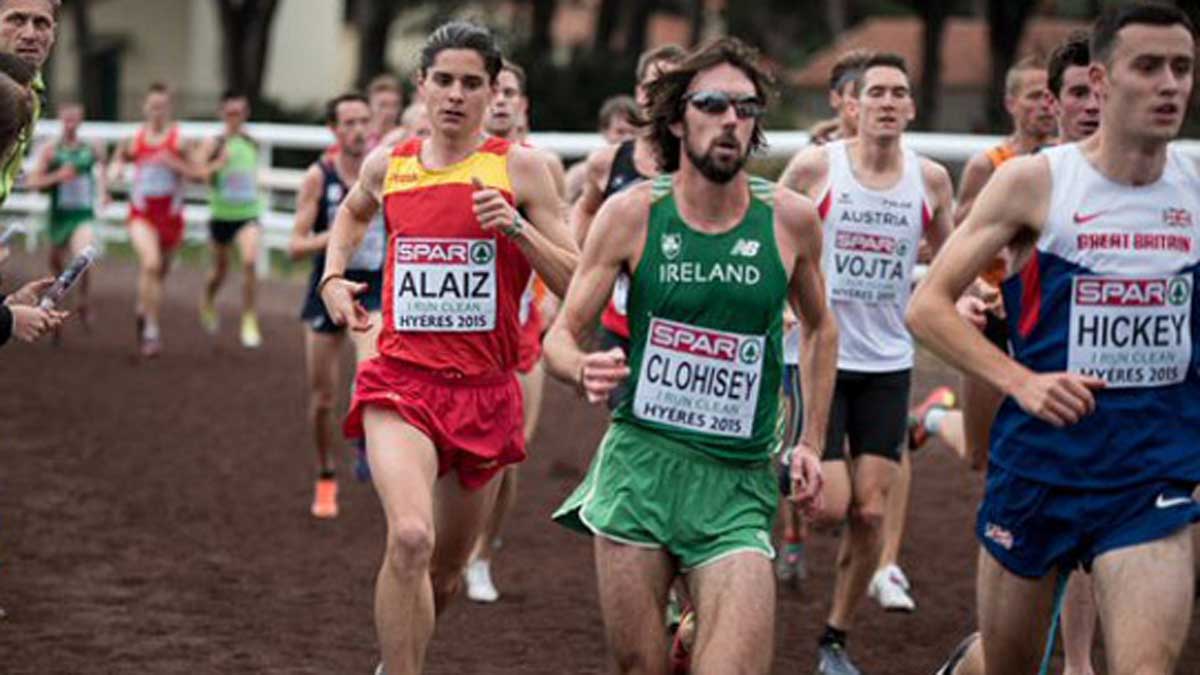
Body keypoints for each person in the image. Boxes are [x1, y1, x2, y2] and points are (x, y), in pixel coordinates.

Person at [916, 7, 1200, 675]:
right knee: (1008, 664)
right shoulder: (1036, 182)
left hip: (1150, 474)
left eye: (1182, 68)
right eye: (1149, 66)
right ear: (1101, 80)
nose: (1170, 85)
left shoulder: (1195, 191)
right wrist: (1022, 381)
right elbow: (927, 307)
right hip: (1039, 469)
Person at [547, 37, 837, 675]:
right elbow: (560, 337)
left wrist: (811, 441)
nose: (731, 119)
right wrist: (581, 367)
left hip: (737, 481)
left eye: (746, 107)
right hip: (639, 472)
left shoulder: (789, 221)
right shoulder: (630, 216)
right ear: (677, 118)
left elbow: (821, 327)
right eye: (712, 104)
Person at [318, 21, 576, 674]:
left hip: (485, 392)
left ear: (494, 93)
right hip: (400, 382)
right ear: (422, 87)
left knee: (444, 574)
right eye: (443, 80)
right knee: (408, 536)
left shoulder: (523, 169)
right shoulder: (390, 162)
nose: (456, 94)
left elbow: (576, 279)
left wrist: (515, 227)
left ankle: (396, 655)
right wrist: (331, 276)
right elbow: (351, 212)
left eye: (471, 83)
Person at [780, 52, 954, 675]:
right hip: (820, 355)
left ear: (910, 107)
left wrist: (973, 291)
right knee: (829, 505)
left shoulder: (930, 180)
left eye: (897, 93)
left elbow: (949, 256)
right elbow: (776, 242)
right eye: (875, 91)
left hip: (887, 359)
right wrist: (780, 307)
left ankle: (834, 639)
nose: (886, 102)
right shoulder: (815, 168)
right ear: (854, 103)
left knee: (871, 511)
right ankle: (778, 462)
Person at [464, 57, 568, 603]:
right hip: (464, 332)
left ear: (523, 105)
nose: (501, 100)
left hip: (524, 328)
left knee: (509, 452)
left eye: (511, 92)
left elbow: (564, 247)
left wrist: (550, 305)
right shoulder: (456, 156)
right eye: (495, 90)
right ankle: (457, 540)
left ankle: (483, 552)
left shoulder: (540, 165)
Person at [776, 47, 873, 592]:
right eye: (861, 95)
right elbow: (777, 228)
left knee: (865, 484)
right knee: (801, 450)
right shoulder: (816, 163)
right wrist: (788, 302)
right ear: (842, 102)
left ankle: (879, 563)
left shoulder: (903, 170)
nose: (870, 107)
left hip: (876, 348)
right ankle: (791, 534)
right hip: (807, 338)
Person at [570, 44, 686, 414]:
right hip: (620, 326)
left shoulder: (701, 165)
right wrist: (585, 259)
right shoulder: (608, 162)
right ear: (639, 94)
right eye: (655, 84)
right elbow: (585, 209)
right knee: (627, 425)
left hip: (683, 330)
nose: (663, 94)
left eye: (675, 85)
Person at [290, 93, 384, 519]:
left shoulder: (386, 171)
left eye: (364, 121)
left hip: (376, 287)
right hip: (326, 288)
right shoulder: (319, 176)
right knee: (323, 398)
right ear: (333, 129)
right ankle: (325, 472)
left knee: (370, 371)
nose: (358, 130)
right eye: (348, 122)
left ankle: (365, 438)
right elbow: (295, 244)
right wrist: (342, 238)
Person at [109, 82, 202, 357]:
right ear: (145, 107)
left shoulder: (179, 140)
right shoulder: (135, 139)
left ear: (169, 108)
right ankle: (151, 330)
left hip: (171, 217)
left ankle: (143, 305)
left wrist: (176, 165)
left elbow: (199, 174)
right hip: (142, 215)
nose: (157, 112)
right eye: (153, 106)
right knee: (150, 264)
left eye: (162, 106)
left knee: (158, 274)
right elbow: (117, 160)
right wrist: (114, 171)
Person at [24, 101, 105, 331]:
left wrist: (105, 192)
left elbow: (103, 171)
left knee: (84, 256)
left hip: (82, 216)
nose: (70, 124)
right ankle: (54, 311)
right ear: (61, 119)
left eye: (74, 119)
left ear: (81, 120)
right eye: (66, 119)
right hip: (58, 218)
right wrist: (57, 176)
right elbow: (32, 183)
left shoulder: (90, 149)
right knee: (56, 269)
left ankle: (84, 299)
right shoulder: (51, 150)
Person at [196, 91, 264, 348]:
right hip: (221, 215)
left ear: (246, 114)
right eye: (230, 113)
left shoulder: (251, 142)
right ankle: (208, 298)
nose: (235, 118)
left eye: (240, 113)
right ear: (222, 114)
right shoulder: (214, 143)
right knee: (219, 272)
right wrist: (217, 164)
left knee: (249, 261)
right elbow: (198, 173)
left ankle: (249, 317)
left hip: (248, 214)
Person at [0, 0, 57, 205]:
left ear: (53, 34)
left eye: (41, 23)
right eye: (17, 20)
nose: (30, 35)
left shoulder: (33, 87)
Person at [564, 95, 640, 203]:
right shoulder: (581, 173)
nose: (627, 138)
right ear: (604, 132)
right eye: (620, 132)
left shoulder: (652, 172)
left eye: (633, 132)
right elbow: (563, 209)